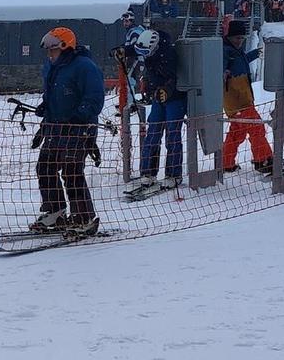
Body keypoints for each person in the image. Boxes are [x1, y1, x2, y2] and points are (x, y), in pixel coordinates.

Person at [30, 26, 105, 235]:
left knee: (72, 172)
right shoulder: (52, 67)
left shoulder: (84, 67)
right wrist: (45, 108)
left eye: (52, 50)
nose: (49, 54)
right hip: (55, 128)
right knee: (45, 167)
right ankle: (56, 211)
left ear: (65, 47)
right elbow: (53, 94)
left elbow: (95, 97)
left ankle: (84, 217)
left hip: (78, 128)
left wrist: (80, 116)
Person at [118, 15, 183, 200]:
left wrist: (167, 90)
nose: (144, 57)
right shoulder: (148, 46)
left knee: (172, 134)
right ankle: (148, 172)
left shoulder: (168, 54)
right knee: (152, 132)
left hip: (174, 98)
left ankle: (173, 173)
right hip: (157, 97)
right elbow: (137, 49)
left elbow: (174, 77)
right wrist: (124, 50)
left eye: (147, 54)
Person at [220, 19, 273, 174]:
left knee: (237, 132)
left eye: (242, 38)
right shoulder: (225, 51)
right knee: (257, 127)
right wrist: (223, 74)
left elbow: (241, 61)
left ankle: (226, 162)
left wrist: (257, 53)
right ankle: (263, 159)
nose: (240, 41)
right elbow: (219, 70)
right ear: (229, 37)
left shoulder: (234, 51)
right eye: (237, 38)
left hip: (241, 98)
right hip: (237, 100)